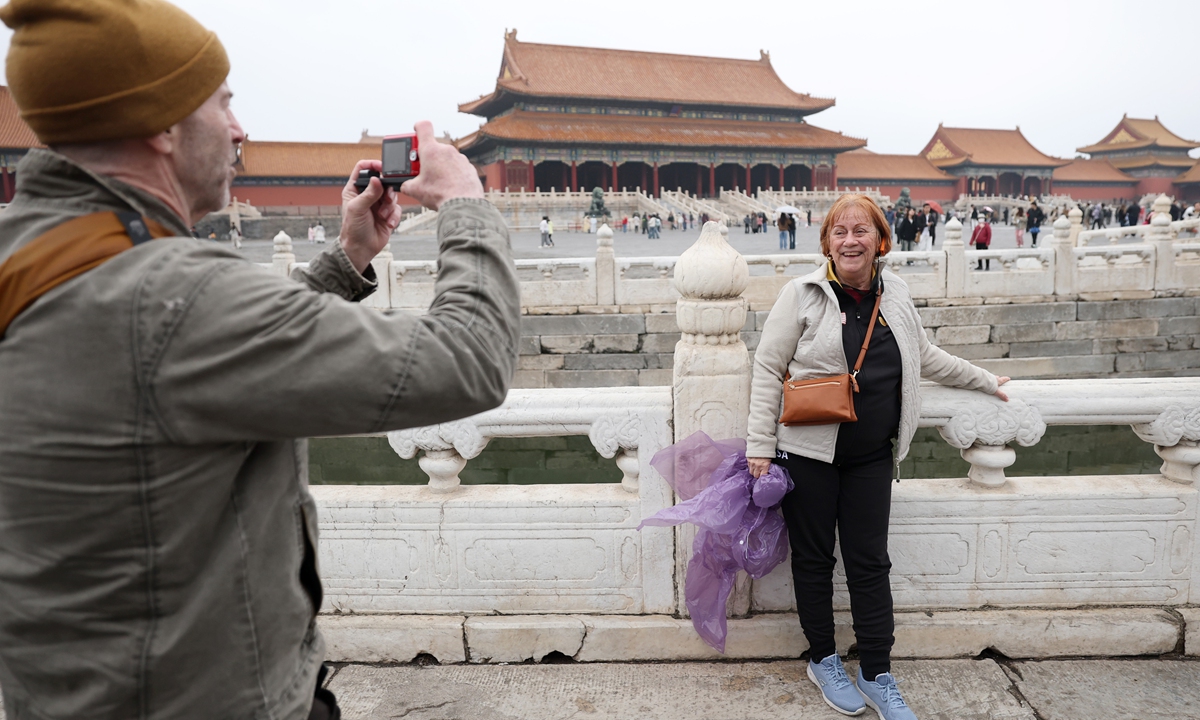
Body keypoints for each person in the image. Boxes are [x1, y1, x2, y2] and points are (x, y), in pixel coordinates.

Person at [0, 1, 521, 718]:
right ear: (160, 125)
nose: (241, 131)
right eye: (224, 103)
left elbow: (188, 357)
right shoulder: (175, 298)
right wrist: (466, 204)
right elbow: (470, 359)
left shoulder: (35, 257)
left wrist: (345, 262)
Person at [746, 194, 1007, 720]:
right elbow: (768, 368)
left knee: (870, 561)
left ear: (879, 239)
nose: (850, 240)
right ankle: (822, 658)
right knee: (816, 562)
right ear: (826, 242)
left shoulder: (897, 295)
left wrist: (985, 380)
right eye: (839, 232)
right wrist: (758, 446)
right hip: (808, 454)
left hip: (870, 457)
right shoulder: (801, 295)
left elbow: (924, 356)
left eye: (860, 230)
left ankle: (876, 670)